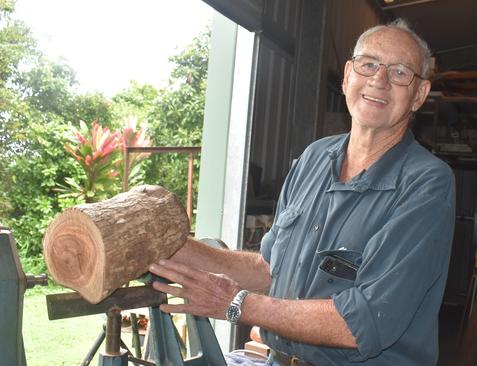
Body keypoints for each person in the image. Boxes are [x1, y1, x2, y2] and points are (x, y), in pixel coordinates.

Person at [149, 18, 455, 366]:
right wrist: (174, 249)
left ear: (419, 95)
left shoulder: (427, 183)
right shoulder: (314, 157)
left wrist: (237, 303)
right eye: (368, 64)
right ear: (347, 76)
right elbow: (270, 268)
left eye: (400, 72)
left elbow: (365, 322)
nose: (379, 80)